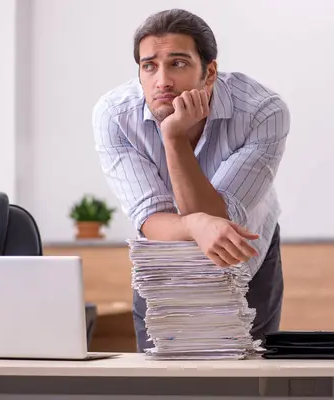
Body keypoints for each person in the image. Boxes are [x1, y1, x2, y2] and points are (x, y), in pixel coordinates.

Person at [92, 8, 290, 351]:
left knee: (250, 376)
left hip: (242, 254)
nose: (162, 80)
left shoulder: (262, 111)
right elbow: (151, 219)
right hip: (164, 256)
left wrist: (172, 137)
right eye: (149, 66)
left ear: (209, 72)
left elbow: (218, 216)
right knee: (163, 381)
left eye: (178, 63)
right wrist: (196, 224)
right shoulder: (115, 115)